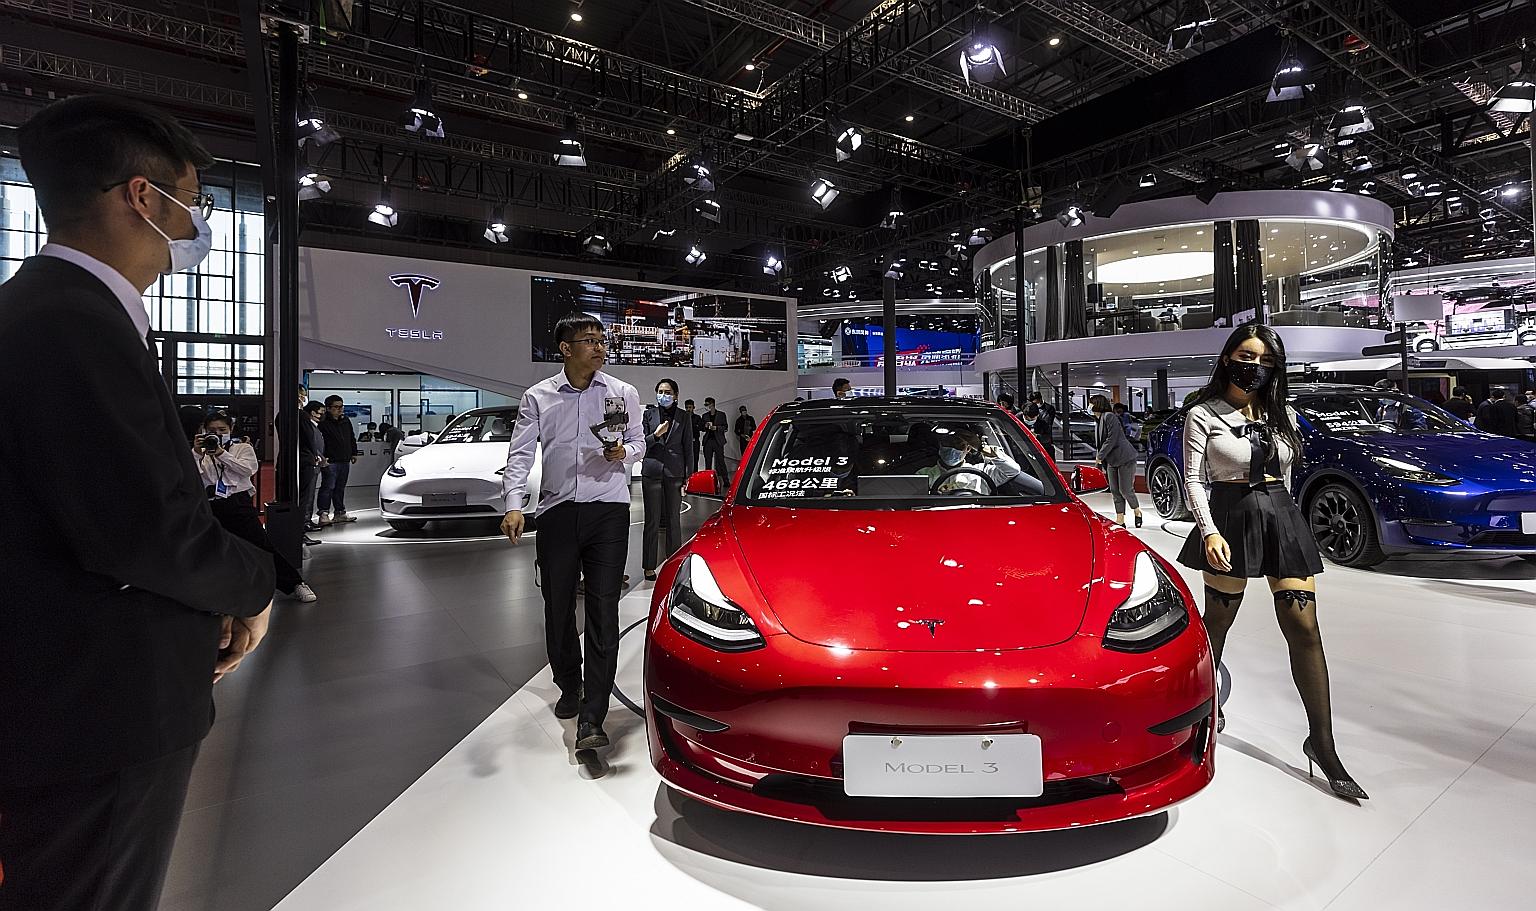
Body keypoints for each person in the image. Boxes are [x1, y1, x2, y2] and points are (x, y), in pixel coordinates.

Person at [0, 94, 275, 911]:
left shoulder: (48, 311)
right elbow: (143, 531)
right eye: (193, 198)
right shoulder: (70, 323)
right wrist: (253, 586)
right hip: (98, 713)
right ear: (142, 198)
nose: (197, 222)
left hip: (71, 702)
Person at [1177, 324, 1365, 801]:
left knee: (1305, 628)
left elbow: (1288, 471)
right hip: (1230, 517)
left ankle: (1321, 743)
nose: (1255, 367)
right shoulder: (1203, 413)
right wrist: (1209, 530)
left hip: (1281, 517)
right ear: (1226, 358)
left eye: (1265, 361)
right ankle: (1202, 705)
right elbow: (1194, 479)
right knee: (1215, 626)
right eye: (1246, 355)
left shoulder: (1283, 415)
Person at [499, 312, 642, 752]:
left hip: (609, 511)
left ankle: (593, 716)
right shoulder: (538, 397)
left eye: (603, 339)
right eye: (589, 340)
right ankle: (568, 682)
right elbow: (520, 454)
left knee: (603, 607)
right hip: (558, 511)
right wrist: (514, 504)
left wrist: (625, 452)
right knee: (557, 603)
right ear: (565, 348)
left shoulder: (623, 392)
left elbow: (639, 441)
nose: (600, 347)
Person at [198, 411, 316, 602]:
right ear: (203, 431)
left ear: (231, 429)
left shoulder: (242, 448)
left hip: (237, 503)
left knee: (261, 545)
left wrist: (222, 454)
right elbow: (192, 477)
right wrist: (196, 454)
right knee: (215, 551)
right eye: (212, 430)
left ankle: (295, 583)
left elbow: (247, 470)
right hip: (208, 505)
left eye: (222, 429)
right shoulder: (198, 452)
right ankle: (218, 594)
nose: (217, 434)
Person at [641, 379, 692, 582]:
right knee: (651, 521)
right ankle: (649, 566)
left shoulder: (684, 417)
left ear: (676, 395)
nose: (663, 395)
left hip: (675, 473)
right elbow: (641, 443)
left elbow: (688, 447)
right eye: (660, 391)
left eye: (668, 391)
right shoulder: (648, 414)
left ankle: (674, 564)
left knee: (673, 520)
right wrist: (655, 434)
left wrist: (689, 475)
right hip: (651, 472)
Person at [1091, 395, 1142, 528]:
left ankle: (1137, 511)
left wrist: (1100, 456)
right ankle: (1120, 519)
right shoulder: (1098, 420)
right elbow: (1100, 443)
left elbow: (1111, 439)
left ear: (1097, 404)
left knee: (1125, 490)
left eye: (1091, 403)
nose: (1089, 406)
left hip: (1124, 457)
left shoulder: (1109, 416)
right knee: (1115, 490)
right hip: (1111, 460)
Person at [316, 395, 358, 525]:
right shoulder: (322, 423)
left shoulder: (345, 421)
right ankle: (323, 513)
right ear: (328, 408)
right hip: (330, 460)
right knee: (328, 487)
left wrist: (353, 453)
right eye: (336, 407)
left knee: (340, 487)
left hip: (344, 459)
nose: (340, 409)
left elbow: (351, 437)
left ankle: (340, 512)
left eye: (341, 406)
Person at [299, 399, 327, 532]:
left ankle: (307, 520)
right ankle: (304, 522)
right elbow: (312, 446)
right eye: (320, 412)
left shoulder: (314, 426)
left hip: (315, 463)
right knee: (308, 495)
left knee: (310, 495)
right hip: (311, 463)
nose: (322, 415)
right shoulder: (308, 426)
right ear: (312, 412)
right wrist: (319, 458)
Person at [700, 396, 728, 477]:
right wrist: (705, 425)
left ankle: (726, 480)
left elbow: (725, 427)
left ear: (712, 404)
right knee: (708, 462)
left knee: (721, 461)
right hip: (708, 441)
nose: (706, 406)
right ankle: (708, 480)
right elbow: (702, 428)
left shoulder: (721, 415)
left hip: (718, 441)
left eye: (707, 404)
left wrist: (716, 428)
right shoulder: (704, 416)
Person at [1028, 391, 1057, 460]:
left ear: (1040, 399)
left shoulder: (1049, 408)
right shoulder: (1030, 408)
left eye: (1036, 402)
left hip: (1043, 436)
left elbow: (1048, 423)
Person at [684, 398, 702, 473]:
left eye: (690, 407)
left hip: (695, 441)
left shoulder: (697, 418)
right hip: (685, 442)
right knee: (684, 460)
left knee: (695, 460)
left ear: (693, 407)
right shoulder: (683, 417)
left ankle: (694, 477)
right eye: (687, 407)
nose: (688, 409)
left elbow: (700, 427)